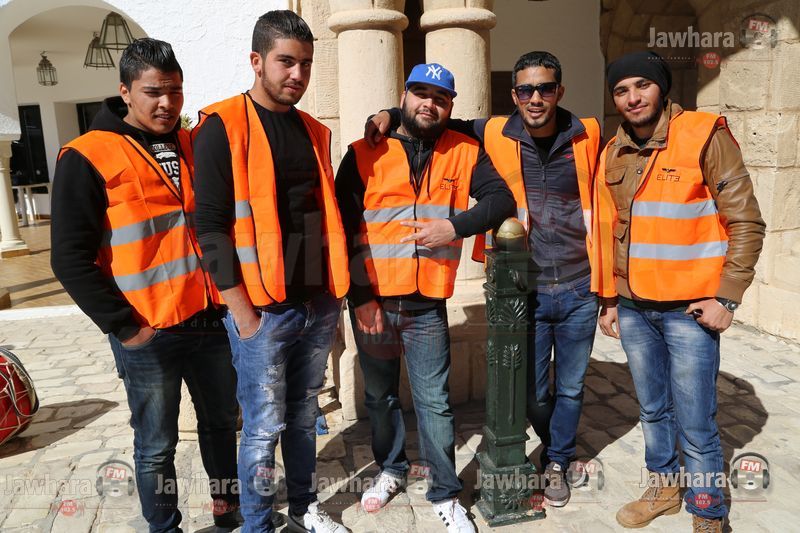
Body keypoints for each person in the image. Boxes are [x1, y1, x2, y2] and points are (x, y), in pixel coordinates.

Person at [366, 51, 610, 507]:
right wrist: (387, 115)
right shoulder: (493, 131)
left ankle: (557, 459)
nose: (535, 98)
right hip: (525, 285)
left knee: (572, 385)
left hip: (580, 282)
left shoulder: (589, 133)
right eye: (526, 90)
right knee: (533, 391)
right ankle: (549, 443)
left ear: (560, 91)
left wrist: (609, 292)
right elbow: (430, 117)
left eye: (545, 89)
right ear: (513, 94)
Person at [50, 38, 240, 533]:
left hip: (209, 320)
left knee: (222, 424)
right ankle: (164, 525)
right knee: (156, 444)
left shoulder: (192, 143)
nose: (166, 103)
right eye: (153, 92)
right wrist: (125, 327)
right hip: (147, 330)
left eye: (175, 91)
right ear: (125, 91)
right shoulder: (87, 155)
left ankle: (227, 506)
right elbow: (68, 257)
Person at [337, 62, 515, 532]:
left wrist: (453, 227)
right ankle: (391, 469)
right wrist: (360, 298)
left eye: (440, 98)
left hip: (426, 304)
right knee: (380, 398)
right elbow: (342, 230)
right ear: (404, 96)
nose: (429, 104)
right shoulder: (363, 151)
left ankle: (445, 493)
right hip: (373, 302)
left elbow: (502, 201)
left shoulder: (465, 151)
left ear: (450, 106)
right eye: (420, 93)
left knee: (435, 402)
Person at [594, 50, 765, 533]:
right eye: (621, 90)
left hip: (690, 309)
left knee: (695, 419)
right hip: (634, 307)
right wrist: (610, 297)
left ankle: (708, 510)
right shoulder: (612, 151)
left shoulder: (704, 135)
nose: (632, 97)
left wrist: (727, 298)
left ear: (661, 88)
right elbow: (612, 230)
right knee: (652, 409)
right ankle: (665, 488)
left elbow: (746, 221)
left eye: (642, 85)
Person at [192, 10, 349, 533]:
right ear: (257, 61)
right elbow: (210, 227)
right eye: (286, 62)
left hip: (316, 301)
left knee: (304, 416)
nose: (297, 74)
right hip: (262, 311)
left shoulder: (313, 130)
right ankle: (258, 525)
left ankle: (304, 507)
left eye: (306, 63)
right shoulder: (222, 125)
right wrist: (242, 313)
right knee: (262, 429)